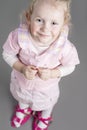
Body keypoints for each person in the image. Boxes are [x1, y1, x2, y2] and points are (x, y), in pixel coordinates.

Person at [2, 0, 80, 130]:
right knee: (22, 97)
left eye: (54, 23)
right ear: (29, 17)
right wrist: (21, 68)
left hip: (46, 89)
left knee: (46, 104)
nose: (45, 28)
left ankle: (45, 115)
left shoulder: (64, 47)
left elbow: (70, 66)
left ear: (63, 24)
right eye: (39, 20)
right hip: (22, 82)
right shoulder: (19, 37)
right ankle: (23, 109)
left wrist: (53, 73)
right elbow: (7, 54)